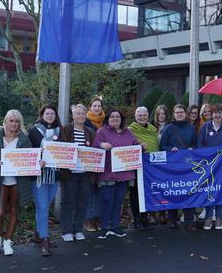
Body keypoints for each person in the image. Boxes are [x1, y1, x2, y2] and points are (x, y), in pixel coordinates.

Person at [94, 109, 146, 239]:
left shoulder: (128, 132)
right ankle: (105, 227)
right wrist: (101, 144)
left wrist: (142, 146)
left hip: (124, 173)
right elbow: (94, 146)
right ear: (107, 118)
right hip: (108, 171)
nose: (115, 119)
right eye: (112, 116)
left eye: (118, 117)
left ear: (122, 119)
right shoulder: (102, 132)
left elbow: (135, 145)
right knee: (106, 200)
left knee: (118, 201)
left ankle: (115, 226)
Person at [0, 110, 33, 256]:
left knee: (14, 211)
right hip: (1, 181)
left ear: (20, 123)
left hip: (17, 182)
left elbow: (30, 160)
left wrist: (38, 162)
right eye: (11, 121)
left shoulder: (24, 139)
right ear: (6, 121)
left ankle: (8, 241)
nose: (14, 124)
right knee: (0, 212)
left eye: (17, 121)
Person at [28, 104, 62, 256]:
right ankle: (44, 239)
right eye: (47, 113)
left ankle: (37, 234)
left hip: (54, 175)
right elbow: (27, 152)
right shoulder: (33, 131)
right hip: (38, 176)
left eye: (52, 113)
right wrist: (37, 156)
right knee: (42, 207)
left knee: (45, 206)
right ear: (41, 115)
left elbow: (66, 151)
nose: (49, 116)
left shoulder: (61, 132)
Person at [59, 104, 96, 242]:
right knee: (68, 202)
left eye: (82, 113)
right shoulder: (66, 129)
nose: (80, 116)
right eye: (77, 113)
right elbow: (60, 148)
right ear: (73, 115)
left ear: (85, 115)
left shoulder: (90, 131)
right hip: (70, 173)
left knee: (82, 201)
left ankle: (78, 229)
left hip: (85, 173)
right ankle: (66, 230)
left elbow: (94, 150)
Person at [159, 103, 198, 230]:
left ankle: (189, 221)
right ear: (174, 114)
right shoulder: (169, 128)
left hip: (187, 166)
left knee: (189, 192)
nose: (179, 114)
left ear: (184, 114)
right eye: (177, 112)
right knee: (173, 192)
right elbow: (162, 146)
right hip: (173, 167)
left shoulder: (191, 128)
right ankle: (172, 219)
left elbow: (196, 144)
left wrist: (193, 148)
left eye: (181, 112)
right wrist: (171, 149)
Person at [197, 103, 222, 230]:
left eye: (220, 113)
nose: (217, 115)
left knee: (219, 189)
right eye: (215, 112)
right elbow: (199, 145)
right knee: (209, 191)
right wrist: (207, 155)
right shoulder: (205, 127)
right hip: (209, 165)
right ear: (211, 114)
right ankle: (208, 216)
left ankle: (218, 217)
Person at [127, 106, 159, 230]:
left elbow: (156, 145)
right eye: (139, 115)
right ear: (135, 117)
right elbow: (128, 146)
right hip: (136, 165)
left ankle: (144, 217)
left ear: (148, 116)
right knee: (135, 193)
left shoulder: (153, 130)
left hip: (150, 167)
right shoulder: (130, 130)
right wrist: (139, 147)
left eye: (144, 115)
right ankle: (136, 219)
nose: (142, 117)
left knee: (147, 192)